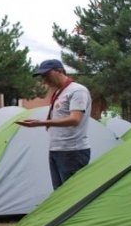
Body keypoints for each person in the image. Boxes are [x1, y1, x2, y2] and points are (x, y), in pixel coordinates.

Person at [16, 59, 92, 190]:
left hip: (72, 151)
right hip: (57, 149)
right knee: (58, 194)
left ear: (60, 71)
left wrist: (41, 123)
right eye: (43, 77)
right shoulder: (59, 92)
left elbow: (75, 119)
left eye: (47, 75)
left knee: (71, 194)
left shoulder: (78, 91)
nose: (45, 80)